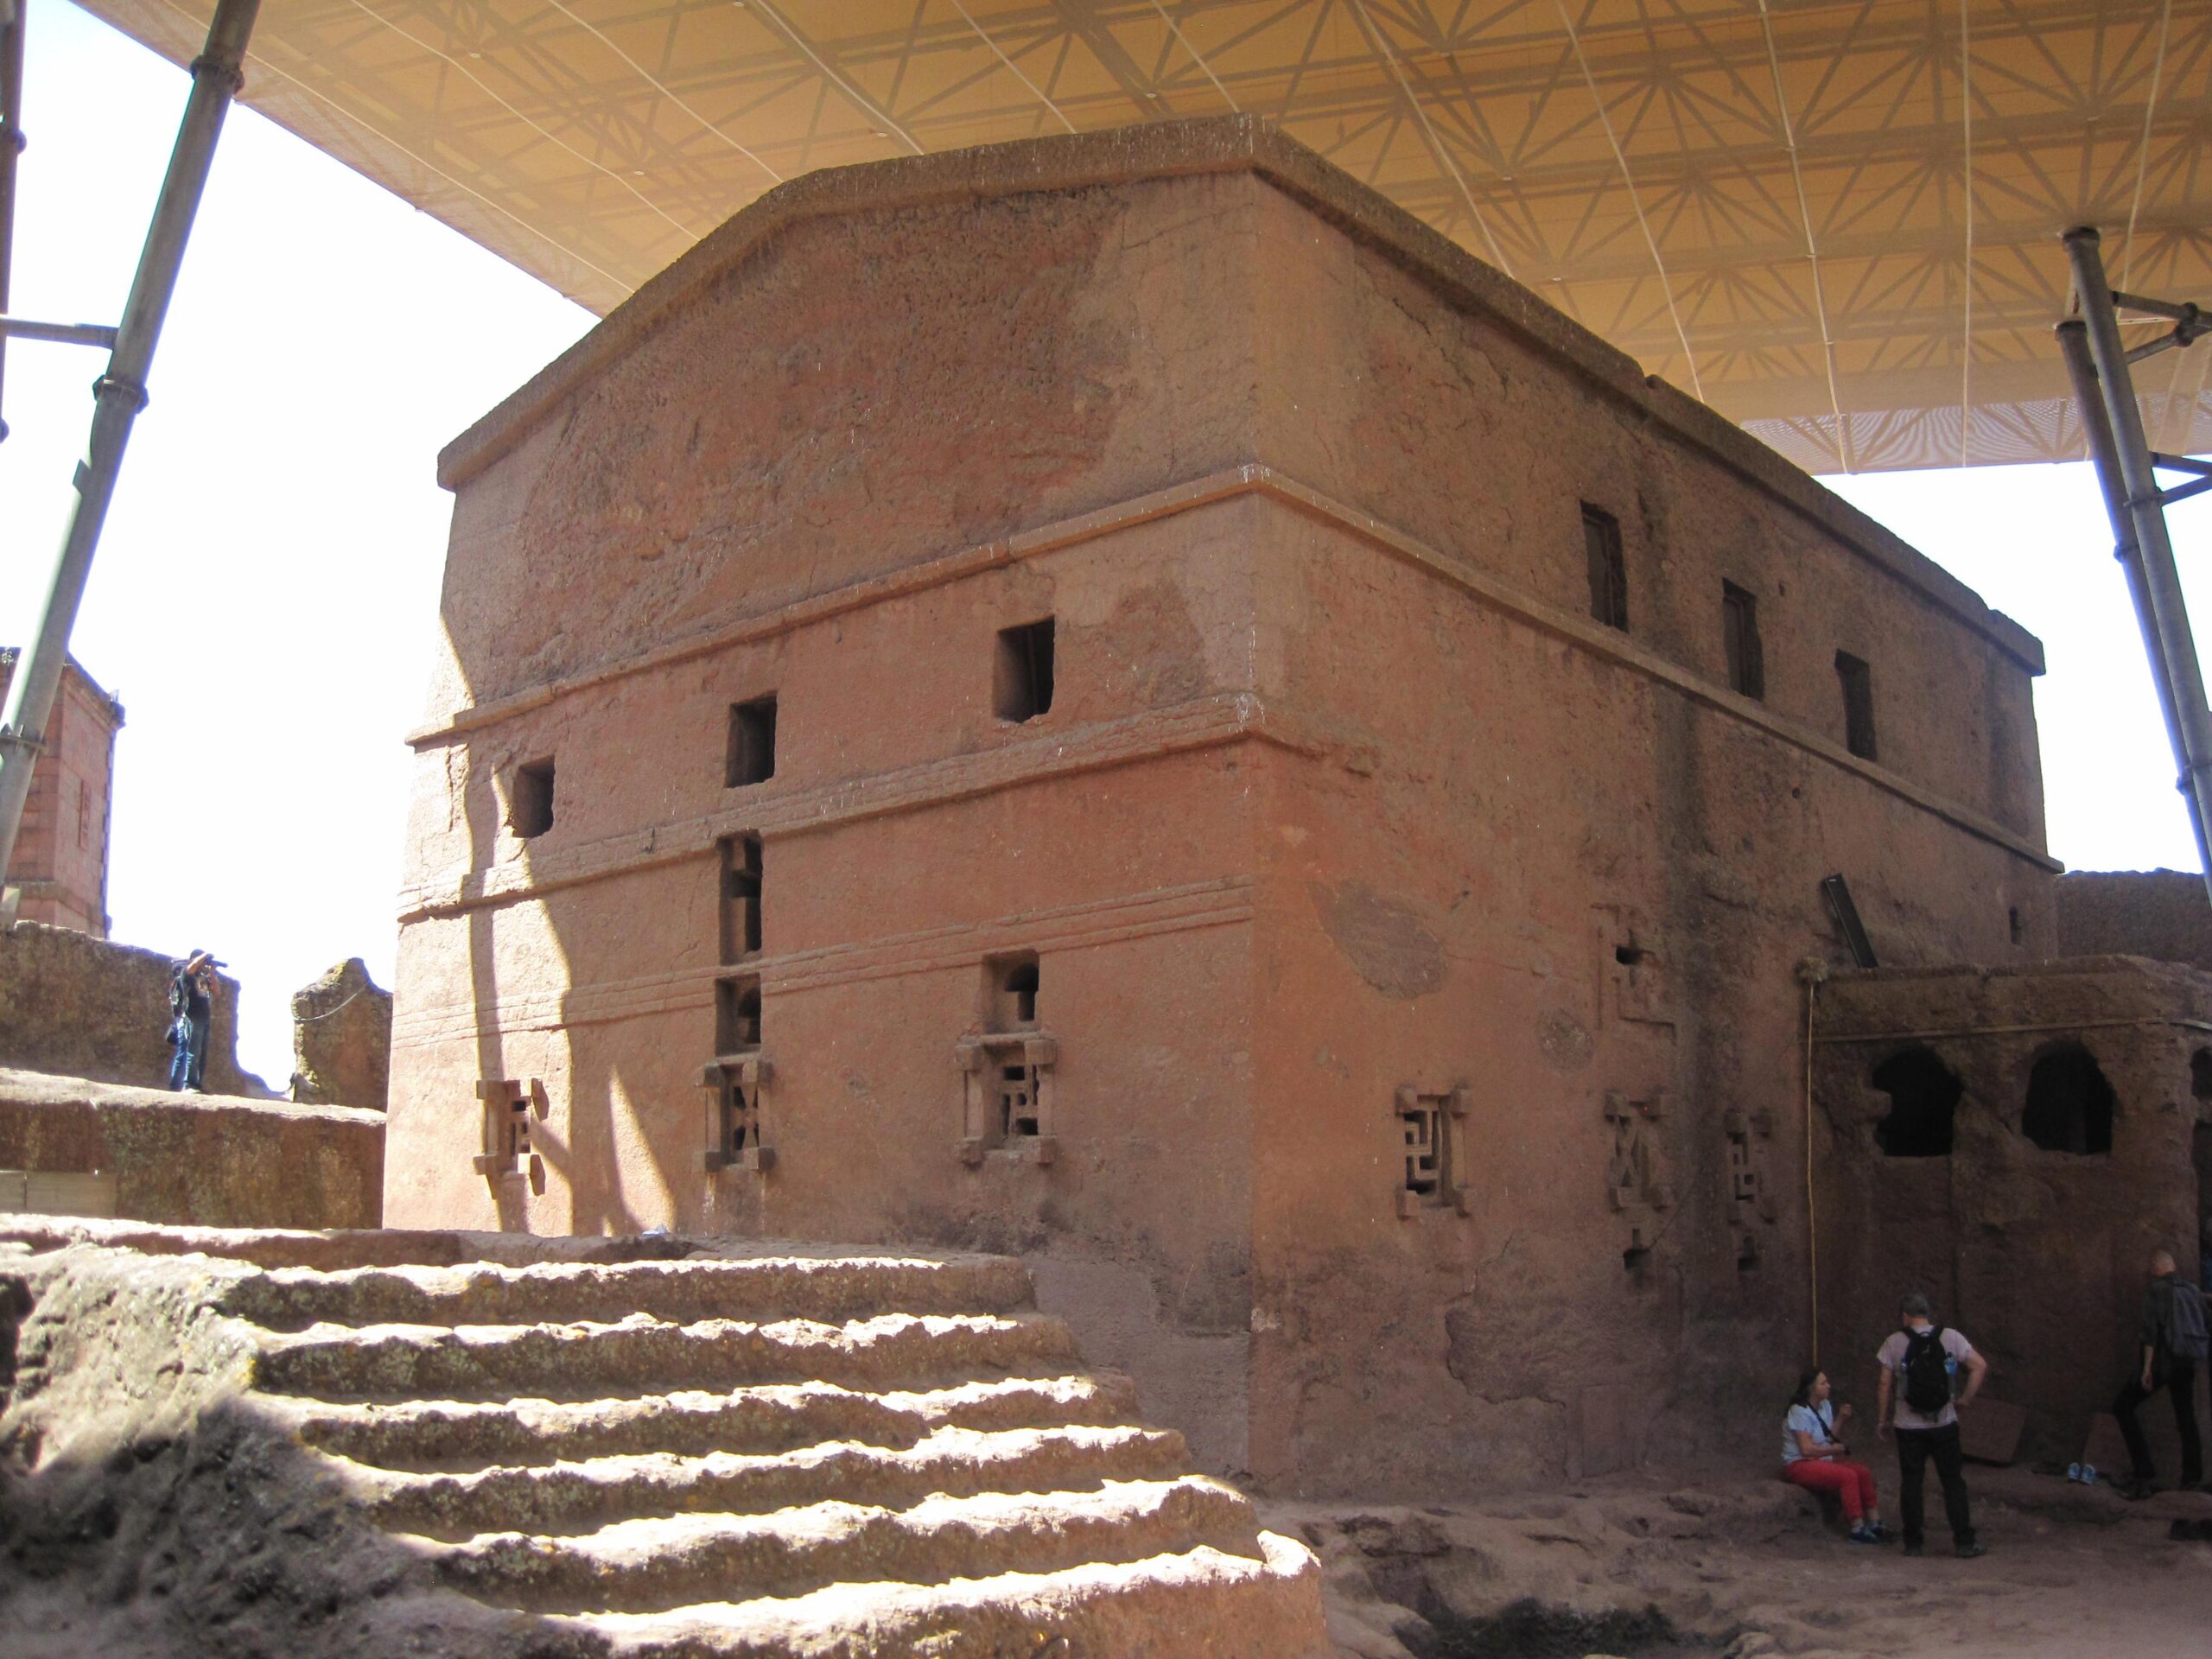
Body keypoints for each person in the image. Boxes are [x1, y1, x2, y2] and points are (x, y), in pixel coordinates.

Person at [1876, 1291, 1988, 1559]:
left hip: (1908, 1426)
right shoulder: (1951, 1337)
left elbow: (1884, 1383)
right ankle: (1964, 1541)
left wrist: (1882, 1419)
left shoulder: (1893, 1342)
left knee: (1912, 1482)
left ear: (1905, 1315)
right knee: (1953, 1481)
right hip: (1944, 1422)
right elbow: (1980, 1366)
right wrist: (1964, 1400)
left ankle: (1913, 1543)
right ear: (1927, 1312)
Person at [2111, 1248, 2206, 1499]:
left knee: (2122, 1406)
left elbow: (2150, 1333)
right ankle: (2191, 1479)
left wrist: (2146, 1369)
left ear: (2156, 1267)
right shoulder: (2193, 1290)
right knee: (2186, 1418)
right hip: (2187, 1364)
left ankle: (2144, 1473)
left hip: (2163, 1364)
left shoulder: (2156, 1290)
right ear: (2173, 1266)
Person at [1779, 1369, 1887, 1543]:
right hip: (1799, 1464)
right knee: (1847, 1476)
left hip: (1820, 1460)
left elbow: (1828, 1438)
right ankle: (1857, 1528)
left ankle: (1875, 1523)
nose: (1828, 1386)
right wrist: (1834, 1450)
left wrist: (1841, 1419)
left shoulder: (1825, 1405)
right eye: (1823, 1383)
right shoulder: (1799, 1411)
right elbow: (1806, 1450)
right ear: (1811, 1388)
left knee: (1863, 1472)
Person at [166, 950, 219, 1093]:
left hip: (204, 1018)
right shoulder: (187, 974)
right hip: (191, 1017)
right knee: (191, 1052)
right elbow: (193, 965)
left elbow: (216, 991)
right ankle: (188, 1084)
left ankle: (196, 1084)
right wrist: (205, 955)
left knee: (201, 1053)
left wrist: (212, 972)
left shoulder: (203, 978)